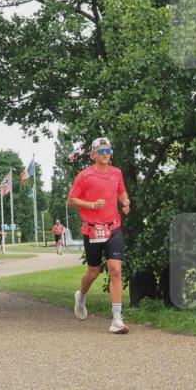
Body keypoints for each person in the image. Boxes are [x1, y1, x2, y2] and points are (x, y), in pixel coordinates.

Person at [67, 137, 130, 334]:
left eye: (108, 150)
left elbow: (121, 192)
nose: (106, 154)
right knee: (94, 272)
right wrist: (91, 205)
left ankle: (117, 320)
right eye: (101, 151)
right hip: (92, 229)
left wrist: (126, 202)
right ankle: (81, 296)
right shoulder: (85, 175)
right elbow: (71, 200)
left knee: (115, 269)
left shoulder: (117, 173)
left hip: (113, 227)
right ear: (93, 154)